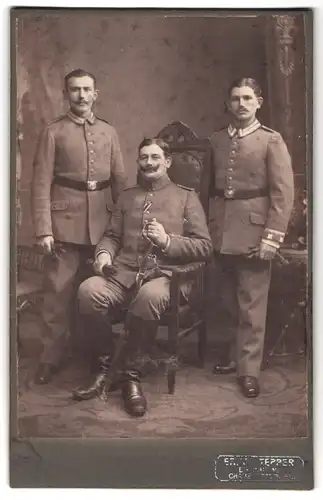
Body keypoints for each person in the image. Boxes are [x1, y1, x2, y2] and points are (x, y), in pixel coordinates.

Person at [72, 137, 213, 417]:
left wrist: (167, 241)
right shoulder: (127, 196)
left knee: (149, 297)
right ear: (138, 162)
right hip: (123, 274)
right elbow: (112, 236)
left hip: (167, 276)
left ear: (168, 162)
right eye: (144, 158)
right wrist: (103, 255)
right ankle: (104, 366)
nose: (149, 163)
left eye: (155, 158)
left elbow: (204, 246)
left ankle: (130, 375)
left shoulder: (186, 197)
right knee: (88, 291)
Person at [31, 68, 126, 385]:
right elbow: (40, 183)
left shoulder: (109, 132)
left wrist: (124, 224)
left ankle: (94, 356)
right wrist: (44, 228)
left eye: (87, 90)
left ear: (96, 94)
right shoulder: (53, 132)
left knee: (96, 294)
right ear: (66, 94)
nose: (81, 95)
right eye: (75, 90)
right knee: (58, 293)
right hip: (63, 223)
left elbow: (119, 182)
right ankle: (50, 358)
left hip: (101, 224)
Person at [209, 77, 294, 398]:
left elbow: (283, 194)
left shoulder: (271, 141)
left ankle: (249, 371)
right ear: (228, 104)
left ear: (259, 102)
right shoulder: (217, 140)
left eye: (247, 98)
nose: (241, 104)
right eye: (235, 98)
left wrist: (271, 237)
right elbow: (209, 192)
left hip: (255, 232)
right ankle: (235, 356)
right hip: (222, 231)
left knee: (252, 306)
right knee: (229, 301)